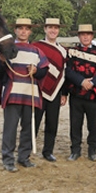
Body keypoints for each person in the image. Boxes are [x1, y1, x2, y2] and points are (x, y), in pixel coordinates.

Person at [0, 18, 49, 172]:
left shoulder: (37, 51)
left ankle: (24, 157)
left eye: (27, 29)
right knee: (10, 128)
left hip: (30, 95)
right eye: (20, 28)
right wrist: (2, 62)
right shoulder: (7, 48)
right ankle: (8, 159)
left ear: (30, 31)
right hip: (13, 94)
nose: (23, 31)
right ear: (15, 31)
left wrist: (36, 71)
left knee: (28, 128)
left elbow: (44, 70)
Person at [65, 24, 96, 161]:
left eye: (88, 34)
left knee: (94, 123)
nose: (85, 37)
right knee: (75, 123)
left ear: (92, 36)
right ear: (79, 36)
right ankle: (75, 150)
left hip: (93, 94)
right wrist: (81, 81)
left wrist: (92, 82)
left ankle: (92, 150)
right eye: (83, 34)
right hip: (76, 93)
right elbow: (67, 70)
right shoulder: (72, 52)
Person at [32, 18, 68, 162]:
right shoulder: (36, 47)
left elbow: (64, 74)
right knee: (34, 121)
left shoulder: (63, 51)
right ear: (45, 29)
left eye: (56, 28)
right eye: (50, 28)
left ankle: (48, 151)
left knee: (52, 122)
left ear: (59, 30)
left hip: (56, 91)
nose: (53, 30)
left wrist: (64, 93)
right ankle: (27, 149)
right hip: (38, 90)